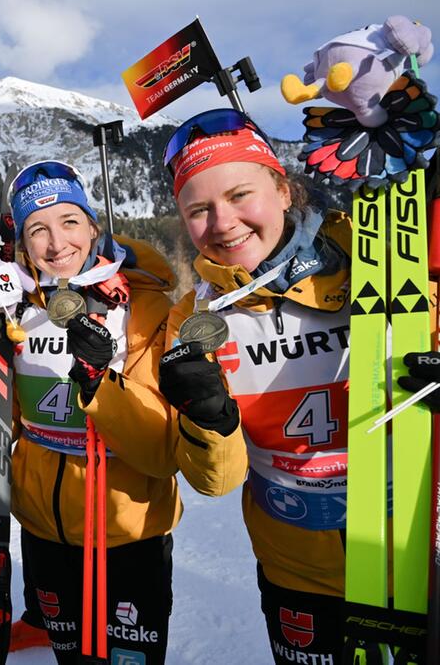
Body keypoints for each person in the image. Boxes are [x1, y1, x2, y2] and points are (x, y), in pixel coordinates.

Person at [155, 108, 362, 663]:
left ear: (285, 191)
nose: (222, 223)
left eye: (241, 195)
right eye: (199, 210)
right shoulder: (192, 318)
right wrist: (210, 421)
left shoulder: (378, 263)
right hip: (297, 569)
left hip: (411, 552)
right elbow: (216, 483)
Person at [6, 160, 181, 664]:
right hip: (43, 527)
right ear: (22, 243)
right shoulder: (16, 307)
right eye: (38, 229)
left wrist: (102, 385)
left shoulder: (142, 307)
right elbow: (13, 417)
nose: (56, 244)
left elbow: (162, 451)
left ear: (94, 227)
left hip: (128, 532)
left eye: (69, 222)